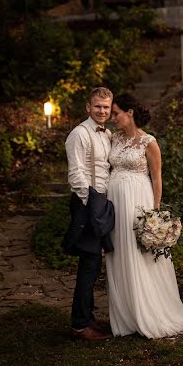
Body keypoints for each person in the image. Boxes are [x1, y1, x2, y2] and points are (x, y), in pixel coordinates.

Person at [105, 93, 183, 339]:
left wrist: (154, 216)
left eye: (116, 113)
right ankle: (126, 316)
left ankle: (148, 312)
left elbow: (157, 179)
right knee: (119, 254)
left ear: (130, 112)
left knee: (139, 256)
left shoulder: (149, 142)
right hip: (115, 205)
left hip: (137, 203)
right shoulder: (113, 139)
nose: (113, 118)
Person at [61, 86, 114, 341]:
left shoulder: (107, 134)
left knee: (94, 264)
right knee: (89, 263)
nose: (102, 111)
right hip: (87, 202)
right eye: (97, 106)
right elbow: (76, 174)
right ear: (88, 107)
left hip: (100, 201)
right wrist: (91, 203)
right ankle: (80, 325)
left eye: (106, 107)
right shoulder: (78, 134)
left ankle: (87, 316)